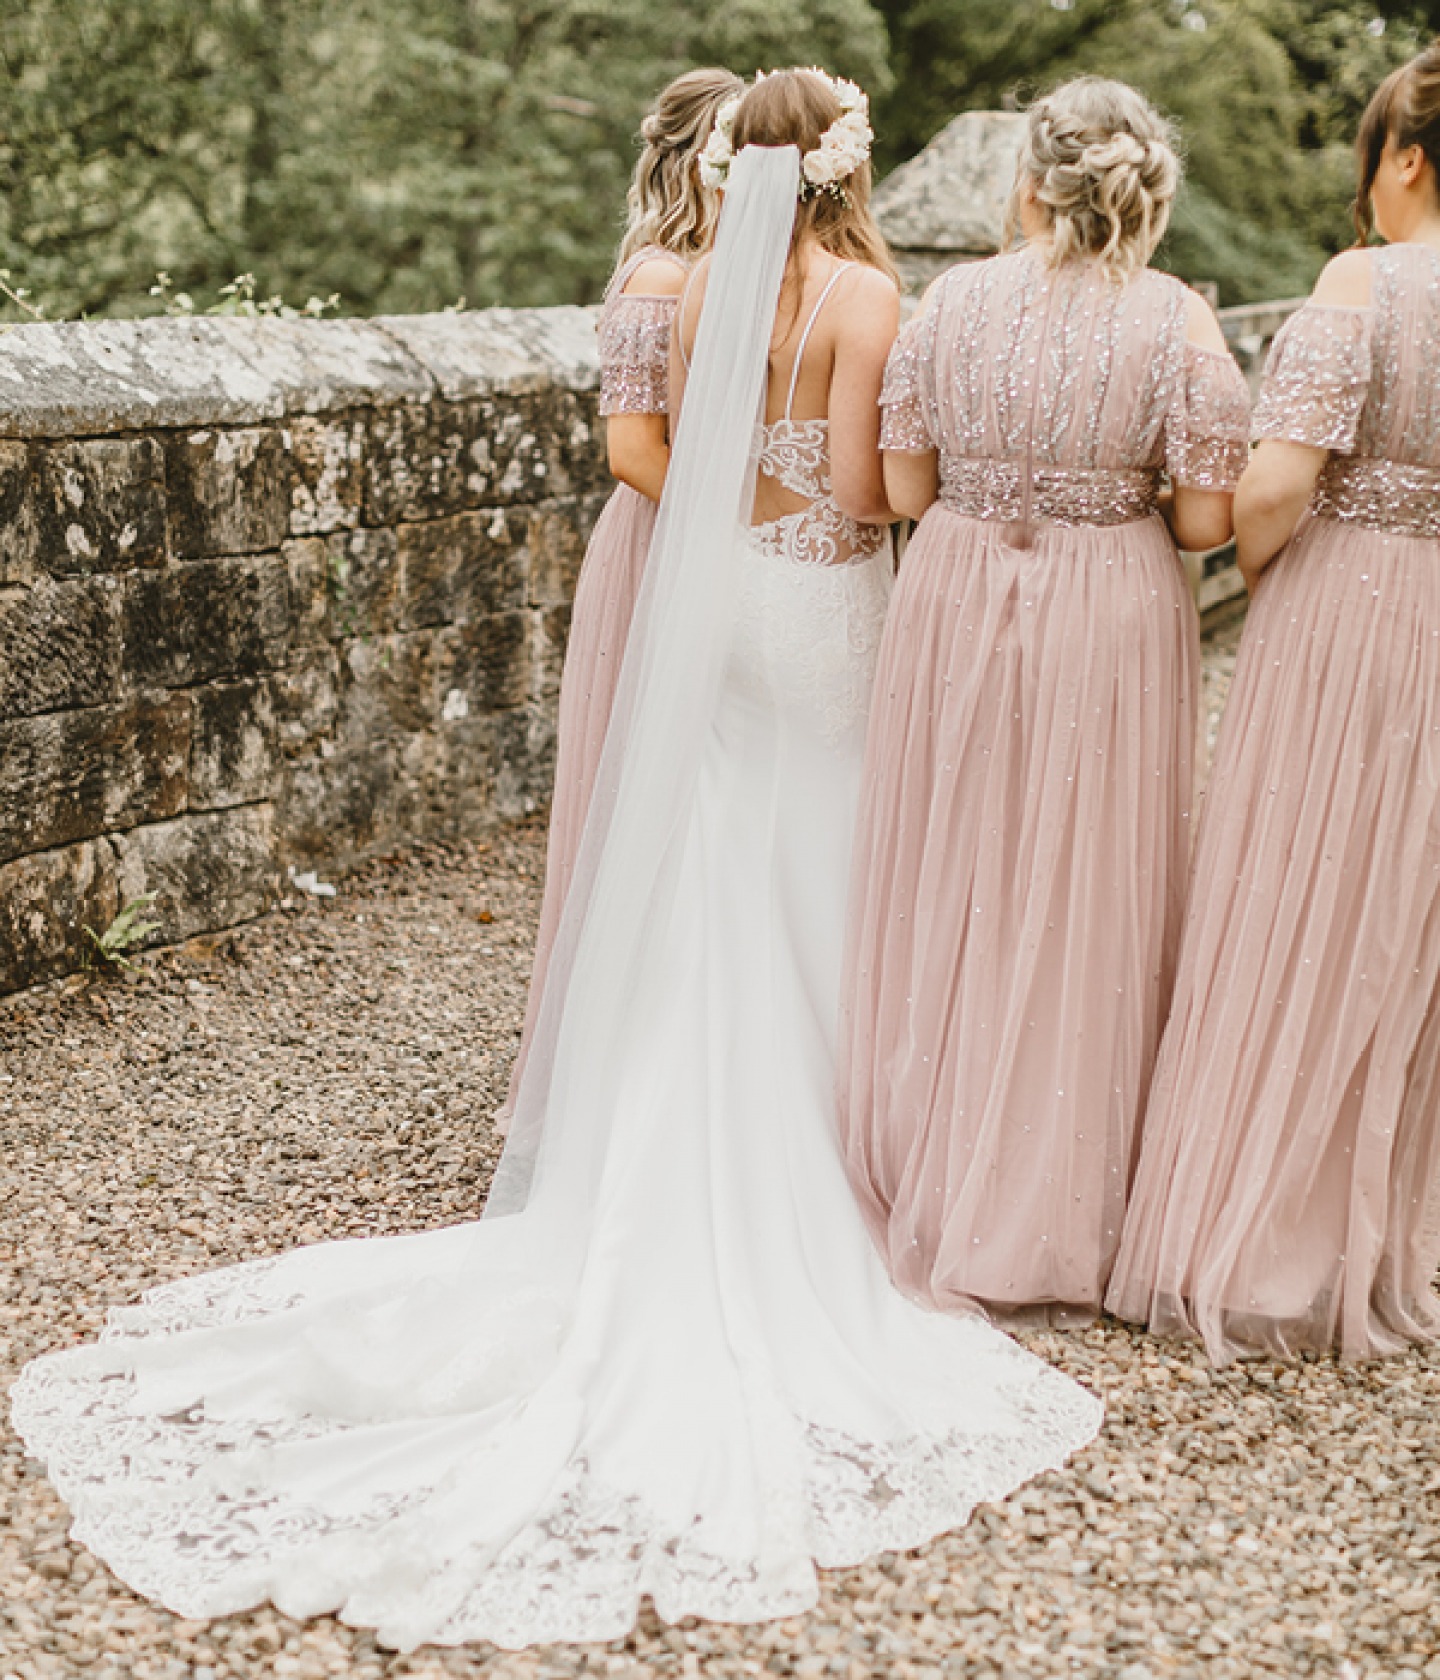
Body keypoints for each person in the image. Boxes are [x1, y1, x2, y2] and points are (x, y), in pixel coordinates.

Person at [11, 70, 1100, 1652]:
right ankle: (842, 1151)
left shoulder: (689, 278)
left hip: (708, 600)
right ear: (852, 167)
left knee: (704, 862)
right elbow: (871, 495)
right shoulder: (872, 296)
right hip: (819, 602)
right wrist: (823, 505)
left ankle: (647, 1137)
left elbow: (646, 454)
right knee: (820, 859)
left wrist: (735, 502)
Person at [836, 77, 1251, 1326]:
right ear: (1147, 193)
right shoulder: (1179, 324)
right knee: (1078, 880)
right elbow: (1204, 520)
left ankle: (919, 1162)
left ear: (1027, 180)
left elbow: (903, 489)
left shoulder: (949, 299)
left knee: (950, 865)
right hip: (1110, 607)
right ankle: (1054, 1189)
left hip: (956, 586)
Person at [1108, 40, 1440, 1362]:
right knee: (1403, 909)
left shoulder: (1365, 283)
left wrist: (1261, 564)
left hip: (1348, 612)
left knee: (1303, 883)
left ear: (1404, 159)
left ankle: (1261, 1241)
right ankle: (1379, 1228)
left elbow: (1271, 487)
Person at [499, 67, 740, 1131]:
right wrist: (759, 514)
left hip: (718, 545)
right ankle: (615, 1072)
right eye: (737, 148)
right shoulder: (657, 277)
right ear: (695, 158)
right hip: (664, 549)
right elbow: (635, 454)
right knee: (647, 791)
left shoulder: (728, 265)